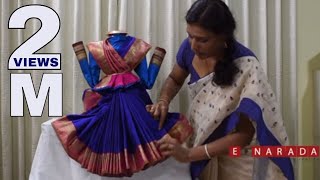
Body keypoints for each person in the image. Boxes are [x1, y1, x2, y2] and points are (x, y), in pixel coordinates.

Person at [147, 0, 294, 180]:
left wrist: (189, 155)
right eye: (190, 36)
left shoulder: (245, 65)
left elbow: (243, 136)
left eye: (202, 40)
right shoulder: (189, 48)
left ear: (224, 36)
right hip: (202, 148)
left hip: (238, 157)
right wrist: (163, 100)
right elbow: (174, 79)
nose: (193, 46)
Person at [50, 31, 193, 177]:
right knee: (143, 128)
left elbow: (93, 82)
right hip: (135, 97)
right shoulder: (137, 46)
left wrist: (80, 55)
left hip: (108, 99)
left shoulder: (96, 48)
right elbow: (147, 82)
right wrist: (158, 57)